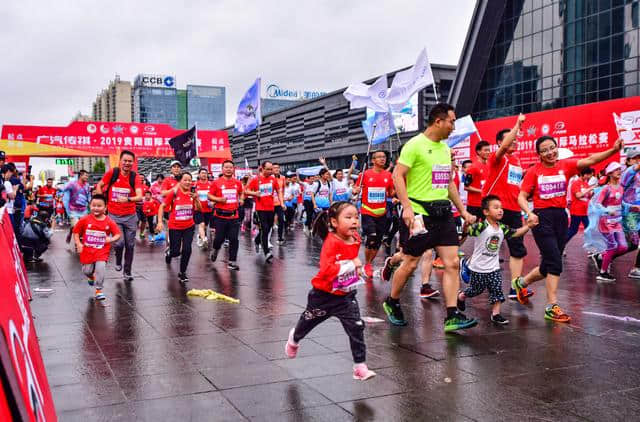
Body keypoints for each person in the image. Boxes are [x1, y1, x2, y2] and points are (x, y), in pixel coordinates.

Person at [383, 103, 477, 331]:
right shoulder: (415, 145)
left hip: (443, 213)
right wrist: (406, 207)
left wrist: (463, 211)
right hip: (419, 213)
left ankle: (452, 315)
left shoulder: (445, 150)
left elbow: (449, 183)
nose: (453, 127)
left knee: (452, 263)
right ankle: (392, 302)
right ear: (438, 121)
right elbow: (398, 175)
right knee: (411, 262)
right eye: (451, 121)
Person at [515, 135, 623, 322]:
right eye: (545, 150)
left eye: (552, 148)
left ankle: (521, 283)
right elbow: (522, 196)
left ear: (557, 148)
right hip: (541, 218)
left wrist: (613, 150)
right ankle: (552, 306)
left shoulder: (565, 166)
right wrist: (529, 212)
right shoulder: (534, 171)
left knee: (547, 265)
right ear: (539, 154)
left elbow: (591, 160)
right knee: (555, 261)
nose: (550, 152)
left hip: (560, 217)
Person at [285, 201, 375, 381]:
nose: (354, 221)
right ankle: (294, 338)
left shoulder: (356, 238)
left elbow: (351, 258)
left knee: (356, 328)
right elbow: (326, 270)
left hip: (345, 296)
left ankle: (360, 366)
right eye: (348, 218)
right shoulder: (331, 243)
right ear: (334, 222)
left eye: (356, 217)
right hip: (323, 295)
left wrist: (355, 269)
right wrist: (351, 264)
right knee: (308, 322)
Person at [457, 195, 535, 325]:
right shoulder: (481, 226)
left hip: (493, 268)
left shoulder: (502, 228)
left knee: (497, 290)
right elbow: (468, 232)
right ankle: (461, 296)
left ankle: (496, 314)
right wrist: (466, 226)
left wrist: (529, 226)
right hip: (478, 268)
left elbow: (516, 233)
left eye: (501, 208)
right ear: (486, 212)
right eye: (496, 207)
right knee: (476, 290)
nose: (500, 210)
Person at [481, 115, 533, 300]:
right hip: (495, 208)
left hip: (513, 209)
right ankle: (472, 270)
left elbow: (516, 186)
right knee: (488, 247)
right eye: (511, 138)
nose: (515, 141)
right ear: (499, 143)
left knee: (517, 248)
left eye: (516, 139)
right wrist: (517, 125)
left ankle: (515, 287)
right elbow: (504, 147)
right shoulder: (497, 159)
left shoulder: (517, 161)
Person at [95, 151, 143, 282]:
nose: (127, 163)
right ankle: (117, 260)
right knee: (120, 243)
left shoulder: (135, 177)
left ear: (133, 163)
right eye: (125, 160)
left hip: (130, 216)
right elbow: (100, 185)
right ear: (120, 161)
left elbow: (140, 196)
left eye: (129, 161)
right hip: (114, 216)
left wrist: (127, 199)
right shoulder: (113, 173)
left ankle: (127, 272)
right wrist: (101, 203)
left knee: (131, 245)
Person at [352, 150, 395, 280]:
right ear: (373, 160)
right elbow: (355, 190)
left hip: (382, 212)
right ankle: (367, 264)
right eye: (379, 157)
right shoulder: (365, 174)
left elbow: (391, 192)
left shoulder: (388, 175)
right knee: (371, 237)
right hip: (367, 211)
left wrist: (397, 191)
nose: (383, 159)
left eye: (384, 157)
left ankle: (369, 264)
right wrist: (356, 190)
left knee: (377, 242)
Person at [72, 194, 122, 301]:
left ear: (105, 208)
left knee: (101, 269)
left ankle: (98, 290)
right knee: (87, 271)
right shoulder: (85, 219)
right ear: (90, 206)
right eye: (93, 205)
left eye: (99, 206)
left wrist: (111, 239)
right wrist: (78, 244)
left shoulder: (109, 221)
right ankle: (91, 277)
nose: (96, 208)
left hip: (102, 251)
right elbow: (76, 232)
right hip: (87, 251)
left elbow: (117, 234)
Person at [156, 172, 201, 283]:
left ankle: (182, 273)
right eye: (185, 180)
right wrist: (160, 222)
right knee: (175, 252)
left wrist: (196, 199)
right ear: (180, 181)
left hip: (189, 226)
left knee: (187, 249)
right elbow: (162, 206)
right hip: (175, 226)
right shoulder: (174, 193)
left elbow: (199, 209)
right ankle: (169, 252)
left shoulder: (193, 193)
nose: (187, 182)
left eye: (189, 180)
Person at [591, 162, 627, 282]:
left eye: (619, 170)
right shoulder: (606, 189)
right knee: (612, 246)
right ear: (610, 173)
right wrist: (607, 211)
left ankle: (601, 256)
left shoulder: (621, 188)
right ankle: (603, 273)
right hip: (606, 222)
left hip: (617, 221)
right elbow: (597, 205)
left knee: (623, 247)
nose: (619, 172)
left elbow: (622, 204)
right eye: (616, 170)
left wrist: (632, 207)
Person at [208, 160, 244, 270]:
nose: (228, 169)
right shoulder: (216, 182)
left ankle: (232, 262)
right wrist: (219, 199)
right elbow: (209, 196)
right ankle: (215, 250)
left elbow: (242, 192)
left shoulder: (237, 183)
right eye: (226, 167)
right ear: (222, 169)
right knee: (219, 238)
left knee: (234, 239)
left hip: (234, 216)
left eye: (230, 167)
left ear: (233, 169)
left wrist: (241, 199)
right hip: (220, 217)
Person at [245, 161, 281, 262]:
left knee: (268, 229)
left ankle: (257, 241)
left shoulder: (273, 179)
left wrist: (282, 203)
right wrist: (255, 193)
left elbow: (278, 191)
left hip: (271, 208)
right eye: (268, 169)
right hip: (260, 209)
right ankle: (266, 252)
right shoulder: (256, 179)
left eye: (271, 169)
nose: (270, 171)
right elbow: (246, 191)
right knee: (264, 229)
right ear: (262, 168)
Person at [566, 167, 595, 246]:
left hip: (585, 211)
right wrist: (590, 188)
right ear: (584, 174)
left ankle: (591, 248)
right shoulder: (575, 183)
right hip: (576, 211)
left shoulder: (586, 183)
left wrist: (594, 191)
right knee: (573, 230)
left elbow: (588, 196)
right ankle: (560, 245)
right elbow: (578, 195)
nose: (590, 177)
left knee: (589, 229)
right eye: (589, 175)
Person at [465, 141, 491, 220]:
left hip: (486, 204)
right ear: (478, 151)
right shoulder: (473, 167)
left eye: (489, 150)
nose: (488, 152)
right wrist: (482, 191)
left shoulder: (489, 165)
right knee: (472, 229)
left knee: (485, 229)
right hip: (474, 205)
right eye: (485, 150)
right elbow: (466, 187)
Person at [63, 170, 91, 243]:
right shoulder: (72, 184)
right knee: (76, 227)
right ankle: (77, 242)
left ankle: (79, 240)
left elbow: (88, 196)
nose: (87, 177)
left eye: (87, 176)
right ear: (80, 175)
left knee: (83, 227)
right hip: (73, 210)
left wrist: (91, 204)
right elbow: (63, 188)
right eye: (85, 175)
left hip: (83, 210)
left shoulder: (87, 185)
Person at [194, 168, 213, 248]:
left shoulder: (211, 185)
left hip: (208, 209)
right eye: (202, 173)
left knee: (205, 226)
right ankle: (204, 239)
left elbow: (215, 196)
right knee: (201, 224)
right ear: (199, 175)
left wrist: (213, 202)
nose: (204, 174)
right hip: (198, 209)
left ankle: (200, 236)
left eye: (205, 173)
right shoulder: (195, 185)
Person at [272, 163, 287, 245]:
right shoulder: (269, 178)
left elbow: (283, 190)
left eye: (278, 168)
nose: (276, 169)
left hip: (279, 203)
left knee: (281, 220)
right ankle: (266, 240)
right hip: (270, 203)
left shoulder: (283, 178)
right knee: (269, 222)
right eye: (274, 168)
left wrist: (283, 202)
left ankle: (280, 238)